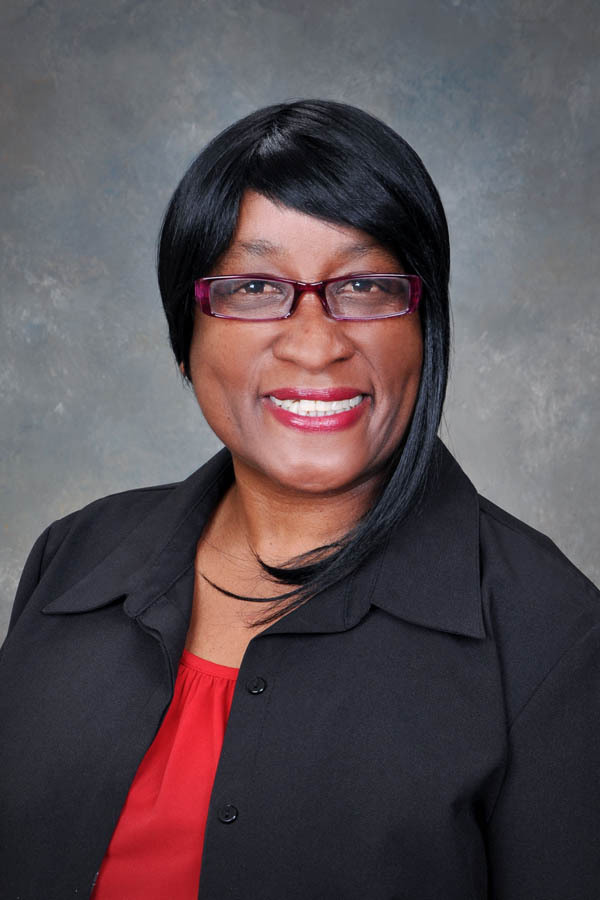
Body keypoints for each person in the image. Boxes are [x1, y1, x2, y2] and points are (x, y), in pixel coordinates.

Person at [0, 99, 598, 900]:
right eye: (253, 286)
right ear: (185, 337)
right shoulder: (72, 558)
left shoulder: (552, 637)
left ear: (426, 327)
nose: (316, 345)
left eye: (366, 285)